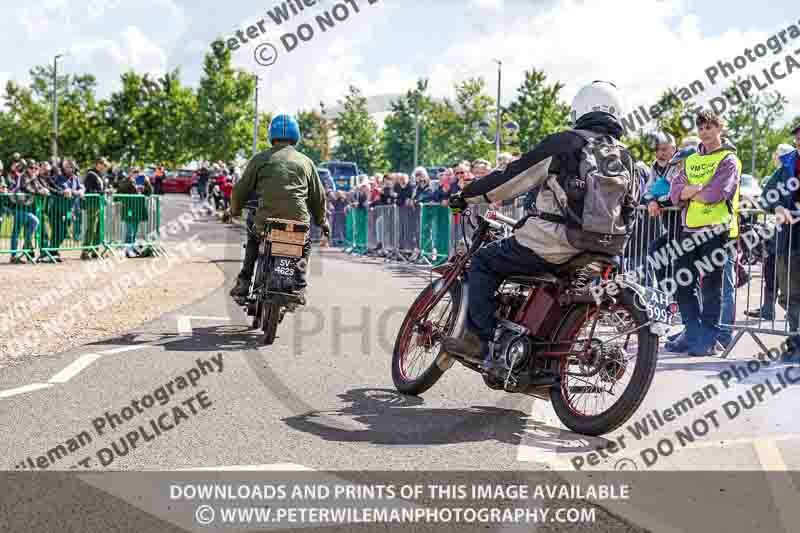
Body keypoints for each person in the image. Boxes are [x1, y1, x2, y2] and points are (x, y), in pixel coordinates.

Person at [443, 80, 639, 375]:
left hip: (553, 241)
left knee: (483, 263)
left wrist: (467, 195)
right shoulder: (625, 156)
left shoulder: (567, 142)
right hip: (606, 248)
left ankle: (478, 340)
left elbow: (512, 176)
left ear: (580, 109)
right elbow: (632, 206)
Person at [228, 114, 329, 304]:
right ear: (296, 136)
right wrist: (322, 221)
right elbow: (319, 196)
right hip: (297, 223)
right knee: (304, 244)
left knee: (253, 238)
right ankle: (299, 283)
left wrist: (233, 211)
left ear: (271, 135)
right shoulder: (306, 162)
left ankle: (244, 282)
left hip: (265, 221)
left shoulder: (260, 159)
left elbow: (240, 190)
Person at [667, 111, 741, 356]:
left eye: (710, 126)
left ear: (720, 128)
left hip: (716, 231)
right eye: (701, 128)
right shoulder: (690, 160)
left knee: (712, 288)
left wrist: (690, 192)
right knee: (683, 284)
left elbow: (717, 193)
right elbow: (674, 193)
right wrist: (691, 190)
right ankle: (693, 332)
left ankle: (708, 339)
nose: (705, 131)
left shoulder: (729, 159)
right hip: (689, 230)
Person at [760, 130, 800, 362]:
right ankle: (795, 344)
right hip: (790, 239)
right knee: (791, 295)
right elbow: (766, 196)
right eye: (798, 136)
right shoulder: (787, 165)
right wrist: (777, 207)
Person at [745, 144, 796, 321]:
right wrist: (778, 206)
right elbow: (767, 197)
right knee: (772, 271)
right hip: (780, 234)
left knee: (786, 279)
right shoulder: (780, 173)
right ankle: (769, 309)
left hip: (788, 236)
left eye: (777, 155)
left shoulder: (786, 170)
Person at [82, 158, 108, 260]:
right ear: (98, 164)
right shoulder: (90, 174)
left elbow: (101, 189)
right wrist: (99, 193)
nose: (104, 167)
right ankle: (85, 251)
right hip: (92, 204)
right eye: (103, 165)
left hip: (99, 204)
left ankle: (95, 250)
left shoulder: (101, 175)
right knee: (91, 228)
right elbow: (88, 189)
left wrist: (105, 191)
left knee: (99, 229)